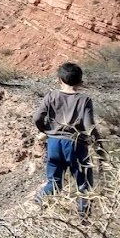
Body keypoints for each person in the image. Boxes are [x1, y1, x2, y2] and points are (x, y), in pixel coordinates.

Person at [34, 61, 99, 206]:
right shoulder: (84, 100)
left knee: (54, 182)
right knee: (84, 185)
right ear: (81, 82)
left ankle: (39, 201)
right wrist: (98, 145)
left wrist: (46, 130)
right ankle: (84, 221)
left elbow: (37, 117)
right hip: (76, 146)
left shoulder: (51, 96)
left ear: (60, 80)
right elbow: (89, 126)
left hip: (54, 144)